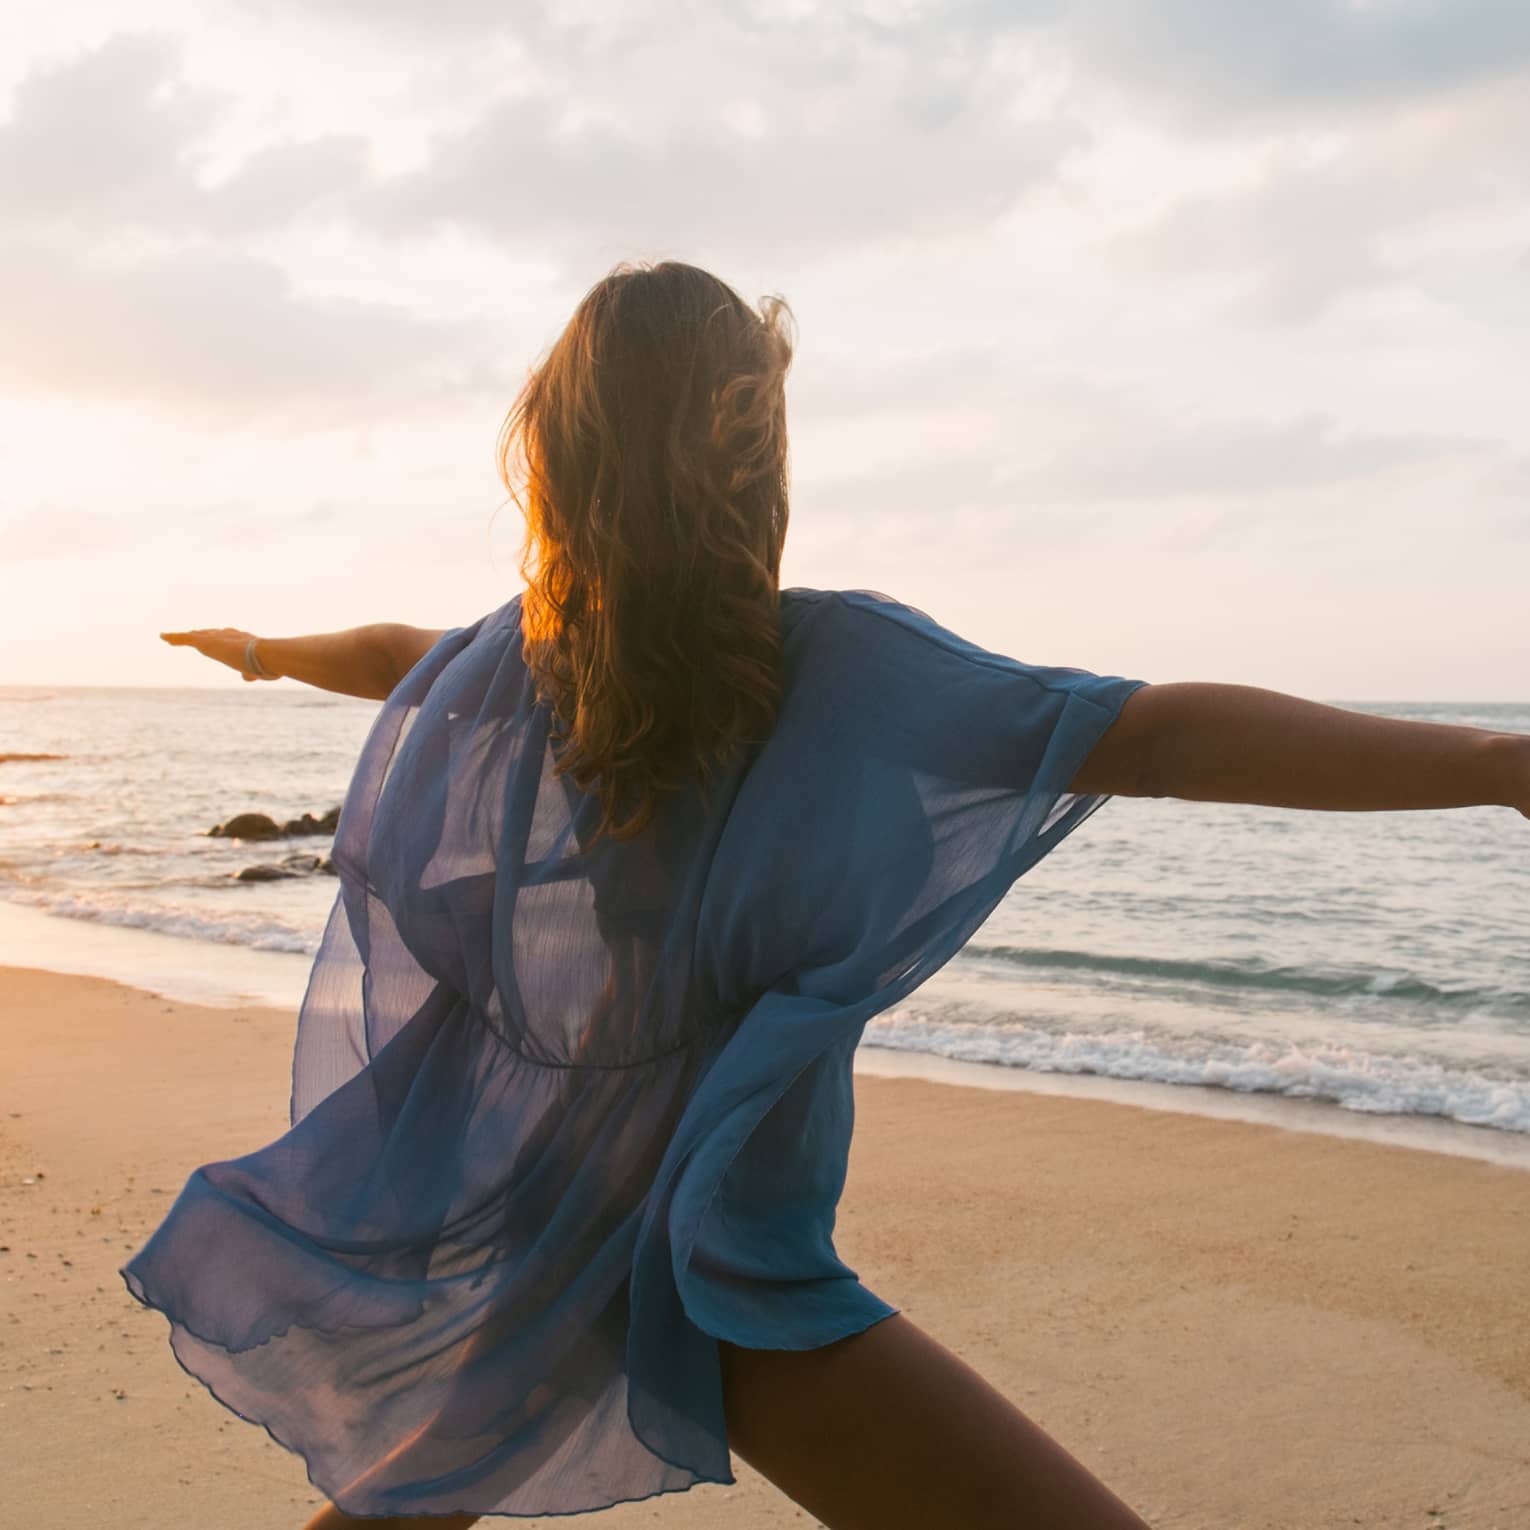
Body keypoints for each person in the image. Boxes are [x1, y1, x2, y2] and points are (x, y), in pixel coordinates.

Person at [143, 261, 1529, 1530]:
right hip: (711, 1257)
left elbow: (400, 649)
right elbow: (1150, 731)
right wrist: (1494, 760)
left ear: (557, 460)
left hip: (562, 1225)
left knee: (405, 1506)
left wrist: (265, 651)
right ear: (753, 457)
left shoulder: (530, 662)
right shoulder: (840, 670)